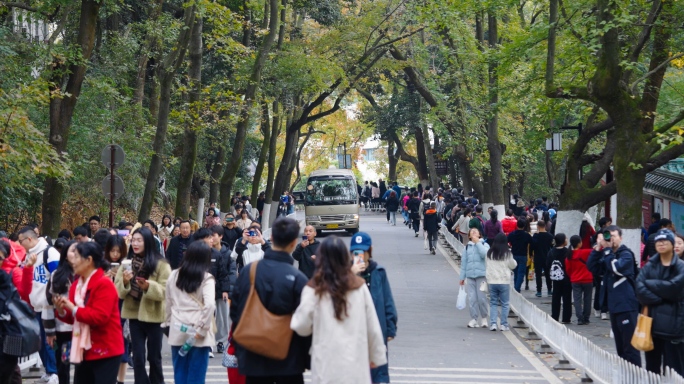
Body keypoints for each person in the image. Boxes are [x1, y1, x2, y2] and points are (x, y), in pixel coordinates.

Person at [290, 236, 387, 383]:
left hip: (326, 364)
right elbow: (372, 326)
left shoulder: (313, 288)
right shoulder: (358, 286)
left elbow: (301, 326)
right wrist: (376, 357)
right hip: (355, 362)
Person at [230, 217, 311, 383]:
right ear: (293, 242)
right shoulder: (298, 279)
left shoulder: (248, 273)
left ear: (271, 237)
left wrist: (241, 348)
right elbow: (306, 322)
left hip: (254, 356)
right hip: (289, 357)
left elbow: (236, 313)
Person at [53, 242, 124, 384]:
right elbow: (74, 318)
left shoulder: (104, 284)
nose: (73, 260)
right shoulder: (77, 285)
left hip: (106, 349)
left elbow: (99, 317)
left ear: (89, 260)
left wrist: (73, 308)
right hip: (84, 349)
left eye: (77, 256)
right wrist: (61, 310)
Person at [115, 227, 171, 384]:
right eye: (133, 240)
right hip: (134, 316)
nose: (135, 244)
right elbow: (118, 291)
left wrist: (148, 287)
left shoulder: (161, 264)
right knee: (138, 357)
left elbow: (166, 291)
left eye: (139, 240)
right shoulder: (127, 263)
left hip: (154, 316)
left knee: (154, 357)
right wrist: (125, 282)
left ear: (148, 241)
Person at [587, 225, 641, 367]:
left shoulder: (626, 254)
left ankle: (636, 378)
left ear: (621, 238)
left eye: (614, 236)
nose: (610, 239)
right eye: (608, 236)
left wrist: (606, 251)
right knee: (621, 348)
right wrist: (598, 249)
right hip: (614, 307)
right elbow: (592, 267)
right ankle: (626, 377)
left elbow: (615, 268)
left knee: (631, 347)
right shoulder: (608, 254)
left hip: (627, 306)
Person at [164, 241, 216, 384]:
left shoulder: (174, 275)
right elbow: (210, 304)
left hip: (178, 327)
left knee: (180, 372)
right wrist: (202, 328)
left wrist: (167, 323)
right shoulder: (206, 278)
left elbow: (168, 301)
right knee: (197, 375)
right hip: (198, 330)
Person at [349, 232, 397, 384]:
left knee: (378, 371)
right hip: (353, 332)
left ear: (370, 250)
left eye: (363, 251)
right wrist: (350, 276)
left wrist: (390, 328)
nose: (360, 255)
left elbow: (387, 300)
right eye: (356, 252)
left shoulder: (378, 272)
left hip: (376, 330)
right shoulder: (344, 275)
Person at [636, 229, 684, 375]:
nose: (662, 244)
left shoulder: (680, 266)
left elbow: (675, 289)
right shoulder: (650, 265)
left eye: (665, 241)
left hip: (674, 328)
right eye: (659, 241)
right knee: (652, 370)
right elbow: (639, 288)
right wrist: (660, 297)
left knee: (674, 371)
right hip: (652, 326)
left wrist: (650, 285)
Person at [16, 227, 60, 384]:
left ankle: (55, 371)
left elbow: (58, 279)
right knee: (40, 341)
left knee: (50, 341)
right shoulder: (28, 256)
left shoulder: (50, 253)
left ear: (29, 239)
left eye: (20, 241)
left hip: (49, 306)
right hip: (35, 306)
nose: (19, 245)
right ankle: (49, 371)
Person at [44, 241, 76, 384]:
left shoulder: (89, 274)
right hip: (63, 330)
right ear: (65, 254)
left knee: (85, 367)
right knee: (63, 365)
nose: (76, 254)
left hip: (84, 328)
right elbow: (49, 304)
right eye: (72, 251)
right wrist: (50, 331)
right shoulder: (57, 275)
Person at [104, 235, 131, 384]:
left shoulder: (126, 266)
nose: (115, 254)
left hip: (121, 309)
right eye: (112, 251)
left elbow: (126, 291)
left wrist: (123, 280)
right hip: (106, 310)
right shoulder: (102, 266)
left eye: (118, 251)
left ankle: (120, 380)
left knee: (123, 345)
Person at [0, 241, 22, 384]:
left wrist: (29, 270)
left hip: (9, 335)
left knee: (10, 370)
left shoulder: (8, 277)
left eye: (0, 258)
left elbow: (24, 293)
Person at [485, 233, 517, 331]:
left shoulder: (489, 253)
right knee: (505, 303)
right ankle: (503, 324)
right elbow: (513, 265)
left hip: (492, 281)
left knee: (493, 303)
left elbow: (486, 265)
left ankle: (493, 324)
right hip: (504, 281)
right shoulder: (507, 254)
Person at [460, 227, 489, 328]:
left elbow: (484, 254)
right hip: (470, 276)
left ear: (479, 234)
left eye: (475, 231)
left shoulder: (484, 245)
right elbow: (464, 263)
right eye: (471, 231)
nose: (473, 232)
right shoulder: (467, 247)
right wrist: (462, 277)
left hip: (481, 276)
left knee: (482, 298)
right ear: (469, 236)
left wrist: (478, 243)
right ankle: (474, 318)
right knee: (472, 298)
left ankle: (484, 318)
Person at [566, 235, 593, 325]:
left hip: (575, 280)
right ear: (579, 243)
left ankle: (579, 318)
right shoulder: (585, 252)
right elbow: (597, 250)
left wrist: (573, 276)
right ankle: (586, 317)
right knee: (587, 299)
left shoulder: (569, 256)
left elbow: (568, 270)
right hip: (587, 279)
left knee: (577, 300)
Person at [547, 233, 572, 324]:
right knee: (567, 298)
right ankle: (566, 318)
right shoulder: (568, 252)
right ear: (563, 241)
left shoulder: (551, 251)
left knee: (556, 297)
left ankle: (555, 316)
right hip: (566, 278)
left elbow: (548, 264)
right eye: (566, 238)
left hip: (556, 278)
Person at [507, 219, 532, 293]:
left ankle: (516, 288)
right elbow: (532, 243)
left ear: (517, 225)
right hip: (523, 255)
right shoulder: (526, 235)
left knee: (516, 273)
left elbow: (507, 240)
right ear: (524, 226)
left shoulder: (512, 234)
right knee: (521, 273)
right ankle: (516, 289)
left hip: (514, 255)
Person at [531, 220, 554, 297]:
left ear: (538, 226)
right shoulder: (550, 236)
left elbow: (533, 246)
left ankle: (539, 291)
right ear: (545, 226)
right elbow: (552, 246)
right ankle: (549, 290)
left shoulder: (536, 236)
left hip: (538, 257)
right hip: (547, 257)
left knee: (538, 275)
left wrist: (531, 255)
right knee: (548, 274)